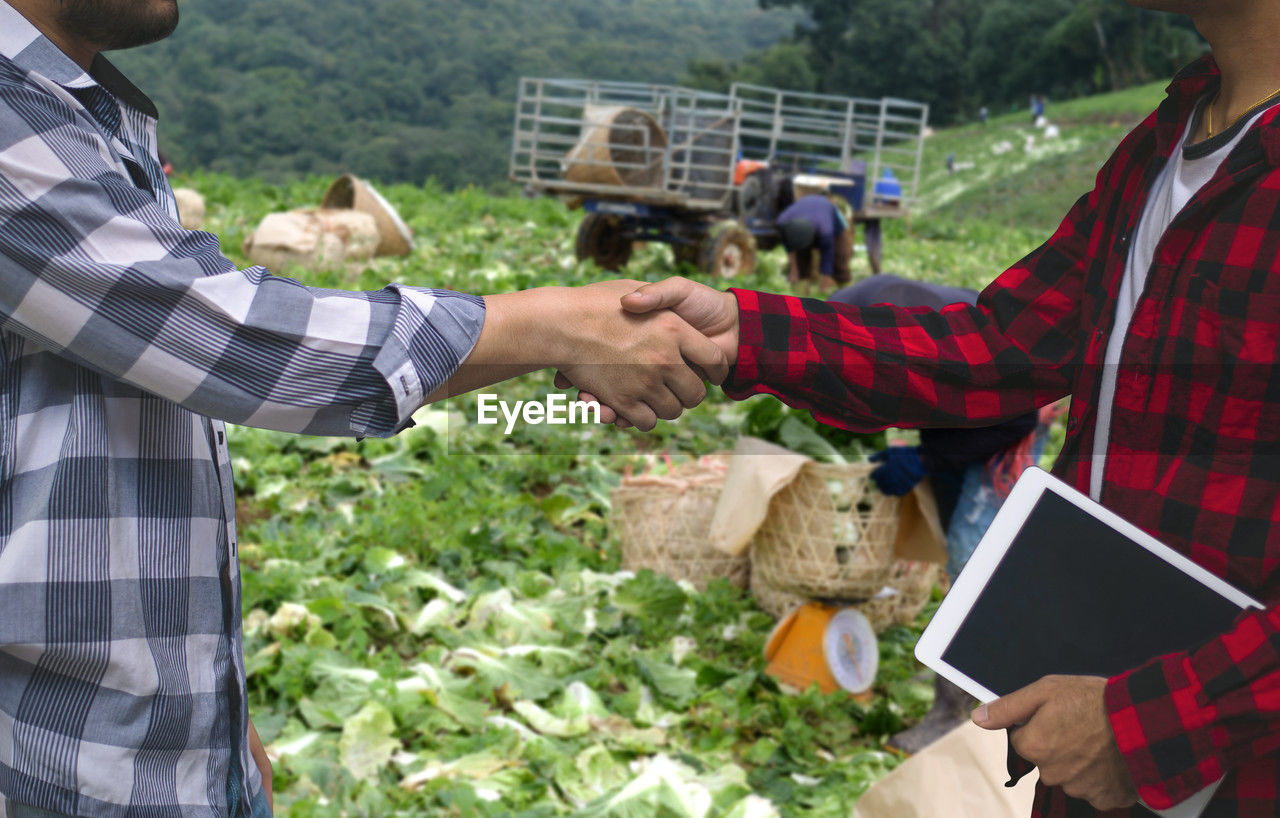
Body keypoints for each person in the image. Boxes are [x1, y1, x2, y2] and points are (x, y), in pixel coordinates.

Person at [0, 2, 724, 816]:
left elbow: (117, 437)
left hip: (149, 750)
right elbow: (237, 343)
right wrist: (556, 323)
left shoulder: (84, 112)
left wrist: (212, 718)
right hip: (56, 767)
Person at [594, 2, 1280, 815]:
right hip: (1090, 736)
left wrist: (1148, 726)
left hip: (1229, 761)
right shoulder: (1167, 140)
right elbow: (999, 345)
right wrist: (745, 330)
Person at [831, 276, 1044, 755]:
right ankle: (978, 686)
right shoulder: (848, 317)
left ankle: (961, 718)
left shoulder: (974, 351)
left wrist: (927, 461)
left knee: (977, 564)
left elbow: (1017, 419)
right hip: (962, 406)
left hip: (1015, 417)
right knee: (956, 544)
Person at [775, 194, 852, 294]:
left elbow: (827, 258)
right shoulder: (782, 222)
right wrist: (794, 269)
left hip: (832, 222)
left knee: (839, 260)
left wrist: (823, 290)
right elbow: (788, 246)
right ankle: (800, 294)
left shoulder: (826, 231)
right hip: (806, 217)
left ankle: (847, 293)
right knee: (801, 260)